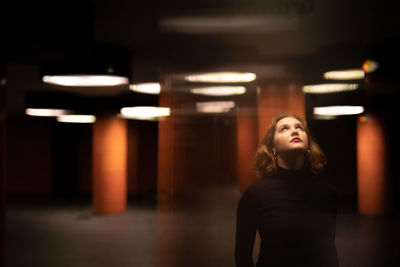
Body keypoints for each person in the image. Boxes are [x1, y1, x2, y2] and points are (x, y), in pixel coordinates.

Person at [235, 113, 339, 267]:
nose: (295, 131)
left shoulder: (327, 193)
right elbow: (242, 255)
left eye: (300, 128)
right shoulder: (255, 194)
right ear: (273, 148)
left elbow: (329, 251)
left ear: (308, 144)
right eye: (284, 129)